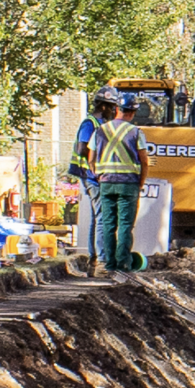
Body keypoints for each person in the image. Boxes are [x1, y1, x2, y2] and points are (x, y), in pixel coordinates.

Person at [87, 90, 149, 272]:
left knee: (108, 224)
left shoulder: (100, 130)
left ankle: (108, 264)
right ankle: (123, 263)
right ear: (132, 112)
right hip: (128, 184)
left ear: (117, 109)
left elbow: (91, 157)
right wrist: (141, 182)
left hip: (105, 183)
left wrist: (99, 174)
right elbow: (144, 160)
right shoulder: (135, 132)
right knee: (125, 225)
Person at [64, 102, 102, 263]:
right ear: (105, 106)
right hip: (90, 175)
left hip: (94, 175)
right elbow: (82, 148)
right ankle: (101, 259)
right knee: (102, 216)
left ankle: (95, 257)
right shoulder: (90, 124)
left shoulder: (99, 124)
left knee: (98, 216)